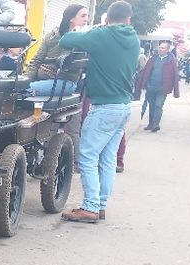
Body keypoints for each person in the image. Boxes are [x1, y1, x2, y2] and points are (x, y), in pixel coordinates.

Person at [58, 1, 139, 223]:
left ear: (107, 19)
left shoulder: (102, 35)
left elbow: (65, 40)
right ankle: (100, 205)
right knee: (107, 158)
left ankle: (91, 207)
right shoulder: (133, 38)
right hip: (123, 106)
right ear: (128, 19)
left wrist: (81, 29)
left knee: (87, 155)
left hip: (104, 106)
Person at [25, 4, 89, 96]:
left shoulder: (82, 39)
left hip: (65, 82)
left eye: (87, 16)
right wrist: (26, 80)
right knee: (18, 88)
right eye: (83, 16)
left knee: (25, 91)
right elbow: (36, 61)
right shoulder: (51, 36)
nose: (86, 19)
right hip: (44, 79)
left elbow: (76, 66)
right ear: (71, 18)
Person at [133, 40, 179, 132]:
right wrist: (143, 84)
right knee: (152, 106)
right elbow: (146, 71)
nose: (160, 49)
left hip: (163, 88)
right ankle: (150, 124)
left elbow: (175, 75)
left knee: (158, 106)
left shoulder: (171, 61)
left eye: (163, 48)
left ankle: (155, 124)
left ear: (167, 50)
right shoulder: (153, 58)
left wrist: (176, 90)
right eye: (160, 47)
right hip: (151, 87)